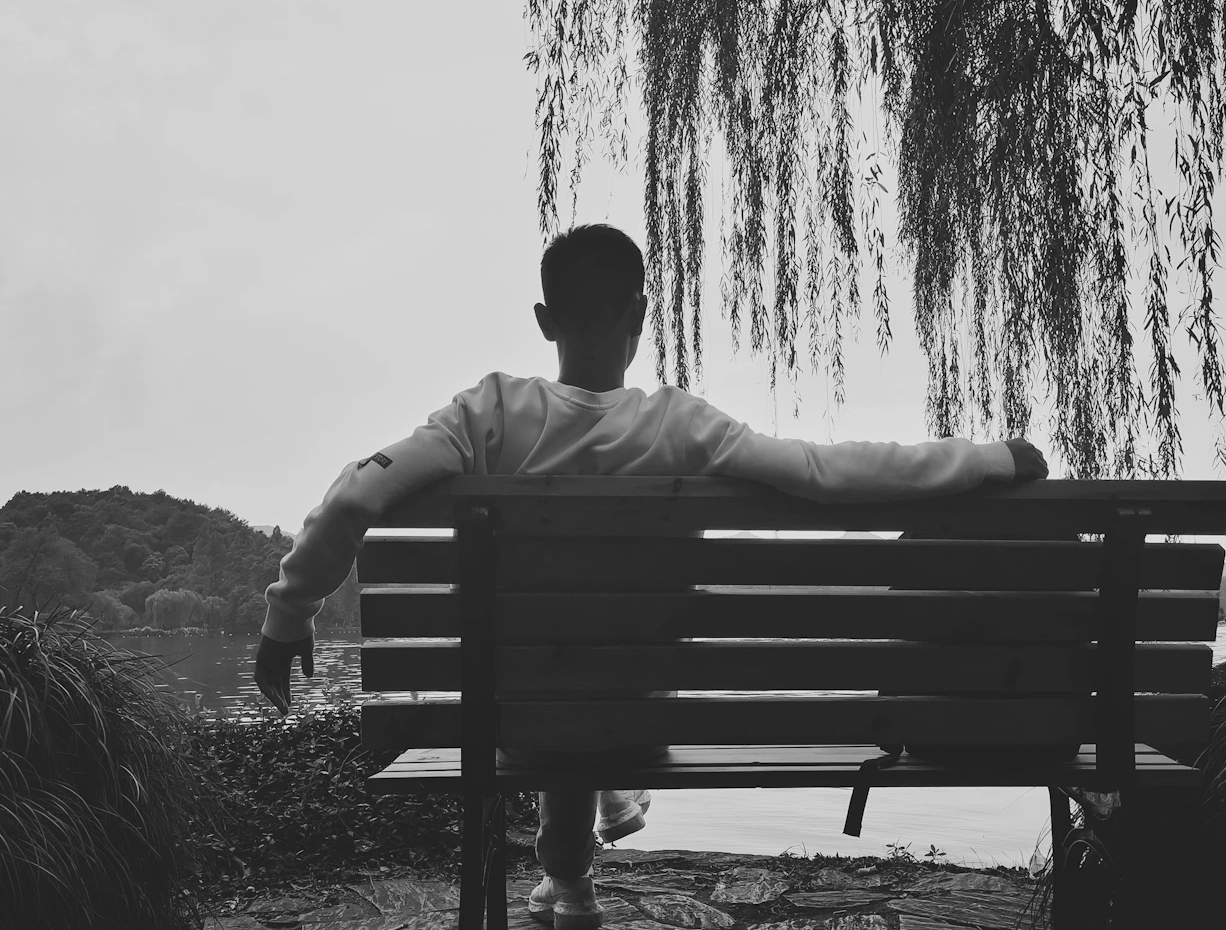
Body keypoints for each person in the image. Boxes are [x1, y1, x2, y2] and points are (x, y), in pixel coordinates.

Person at [254, 223, 1049, 930]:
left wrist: (288, 613)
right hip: (637, 715)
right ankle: (574, 875)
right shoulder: (679, 423)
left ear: (544, 321)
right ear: (640, 316)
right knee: (602, 674)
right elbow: (824, 471)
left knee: (553, 674)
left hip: (515, 716)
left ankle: (566, 880)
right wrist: (988, 458)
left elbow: (360, 490)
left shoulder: (488, 412)